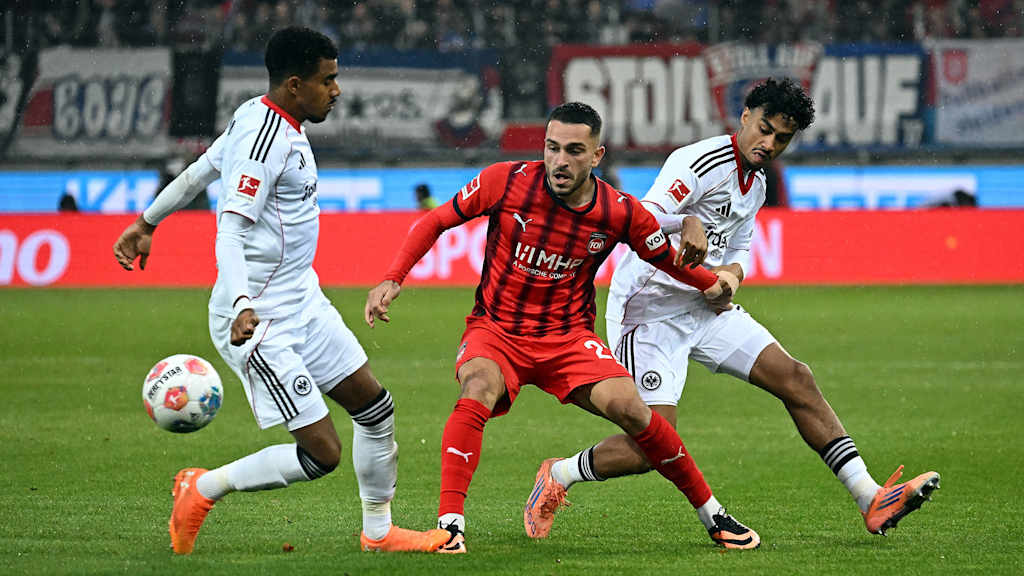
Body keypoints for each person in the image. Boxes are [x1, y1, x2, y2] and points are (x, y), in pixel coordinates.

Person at [533, 78, 940, 543]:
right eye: (764, 129)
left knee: (796, 379)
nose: (768, 144)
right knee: (652, 446)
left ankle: (870, 497)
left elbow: (740, 247)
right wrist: (687, 227)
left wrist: (731, 278)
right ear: (744, 117)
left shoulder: (758, 183)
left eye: (781, 138)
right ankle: (560, 474)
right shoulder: (697, 162)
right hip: (650, 313)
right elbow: (641, 217)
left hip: (705, 308)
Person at [112, 27, 449, 555]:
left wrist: (147, 220)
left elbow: (202, 168)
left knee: (376, 409)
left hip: (303, 300)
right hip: (258, 319)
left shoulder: (260, 116)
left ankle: (379, 533)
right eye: (327, 80)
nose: (336, 90)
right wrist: (243, 304)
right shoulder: (262, 141)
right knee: (322, 454)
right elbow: (230, 228)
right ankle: (200, 489)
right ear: (295, 85)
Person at [365, 101, 753, 554]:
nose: (560, 161)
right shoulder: (506, 182)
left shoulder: (616, 211)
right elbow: (437, 220)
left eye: (573, 150)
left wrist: (714, 285)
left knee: (634, 413)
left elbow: (667, 258)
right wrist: (393, 277)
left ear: (596, 156)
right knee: (477, 387)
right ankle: (450, 527)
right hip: (497, 330)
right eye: (552, 148)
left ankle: (713, 515)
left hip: (567, 338)